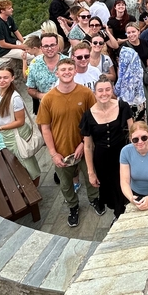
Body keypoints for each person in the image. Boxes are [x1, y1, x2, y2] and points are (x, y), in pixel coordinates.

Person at [37, 58, 97, 227]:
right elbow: (45, 128)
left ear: (75, 72)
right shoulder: (48, 99)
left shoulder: (85, 94)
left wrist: (82, 144)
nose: (67, 72)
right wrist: (53, 153)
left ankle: (94, 199)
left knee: (91, 175)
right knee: (65, 184)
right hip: (61, 149)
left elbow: (93, 121)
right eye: (63, 70)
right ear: (57, 73)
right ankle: (73, 206)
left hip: (85, 146)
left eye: (70, 69)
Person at [82, 74, 134, 219]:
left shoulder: (123, 106)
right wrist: (91, 172)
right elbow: (88, 146)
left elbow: (133, 132)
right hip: (101, 159)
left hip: (121, 155)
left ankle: (120, 214)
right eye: (100, 90)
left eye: (107, 90)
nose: (104, 93)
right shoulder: (88, 115)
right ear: (95, 93)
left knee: (123, 186)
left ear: (112, 90)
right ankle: (118, 214)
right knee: (110, 189)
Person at [0, 63, 42, 183]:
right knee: (22, 161)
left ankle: (35, 188)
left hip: (17, 134)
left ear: (12, 78)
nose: (2, 80)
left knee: (29, 164)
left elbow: (20, 121)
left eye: (6, 77)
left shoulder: (14, 98)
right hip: (6, 134)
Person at [27, 32, 67, 114]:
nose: (49, 48)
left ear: (57, 46)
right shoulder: (34, 64)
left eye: (52, 45)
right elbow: (30, 88)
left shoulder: (68, 62)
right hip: (46, 109)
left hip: (68, 107)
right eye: (46, 46)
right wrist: (40, 95)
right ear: (41, 48)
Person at [115, 43, 148, 120]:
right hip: (140, 101)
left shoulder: (124, 73)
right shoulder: (138, 69)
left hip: (127, 105)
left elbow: (117, 90)